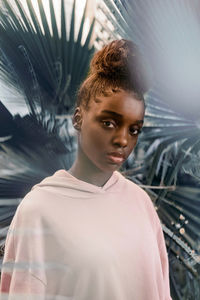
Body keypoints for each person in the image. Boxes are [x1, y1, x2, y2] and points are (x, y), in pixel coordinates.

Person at [0, 39, 172, 300]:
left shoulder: (140, 203)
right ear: (78, 118)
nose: (123, 140)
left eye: (133, 129)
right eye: (109, 122)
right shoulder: (38, 211)